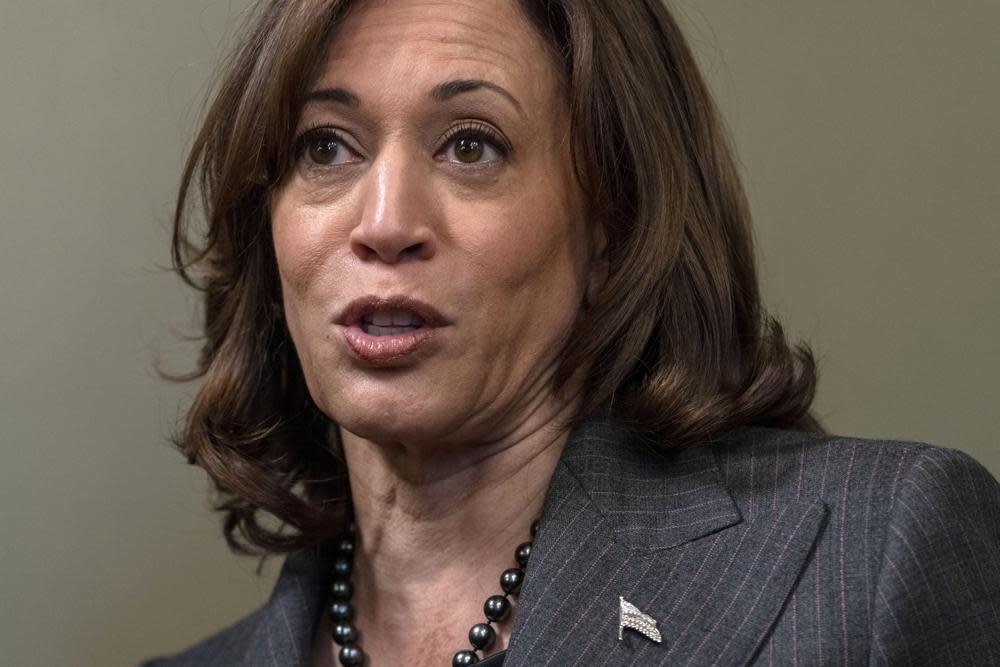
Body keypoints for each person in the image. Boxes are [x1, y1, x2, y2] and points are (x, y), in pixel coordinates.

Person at [143, 1, 1000, 665]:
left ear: (614, 223)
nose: (386, 220)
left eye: (471, 147)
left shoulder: (878, 549)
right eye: (326, 147)